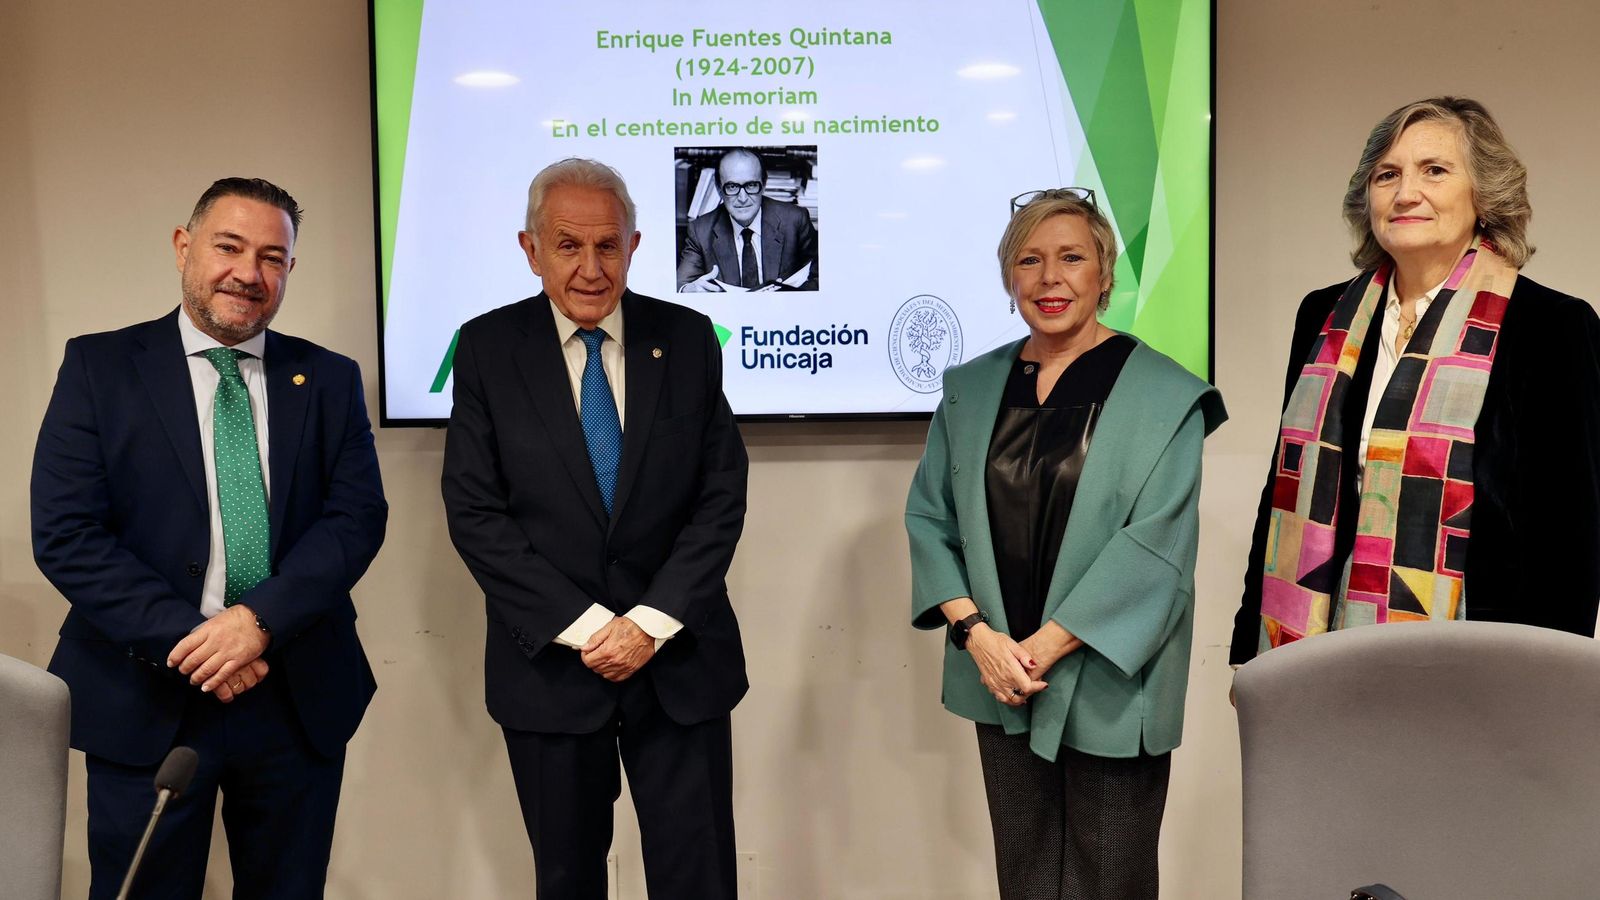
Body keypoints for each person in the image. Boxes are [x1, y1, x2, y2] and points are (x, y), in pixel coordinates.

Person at [31, 177, 388, 899]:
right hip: (145, 693)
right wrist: (202, 643)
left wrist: (256, 625)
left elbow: (355, 521)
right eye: (229, 246)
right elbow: (67, 532)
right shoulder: (100, 367)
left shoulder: (326, 379)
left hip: (292, 695)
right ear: (183, 246)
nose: (248, 273)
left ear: (289, 271)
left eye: (272, 257)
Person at [905, 188, 1226, 899]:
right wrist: (981, 639)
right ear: (1010, 277)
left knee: (1111, 876)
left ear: (1104, 274)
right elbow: (930, 517)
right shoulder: (970, 389)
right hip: (998, 675)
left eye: (1072, 258)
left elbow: (1156, 548)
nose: (1050, 279)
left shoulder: (1166, 397)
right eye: (1030, 260)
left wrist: (1041, 647)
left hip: (1110, 677)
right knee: (1022, 874)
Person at [442, 158, 749, 899]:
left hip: (678, 662)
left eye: (607, 246)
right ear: (530, 248)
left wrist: (647, 624)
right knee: (567, 880)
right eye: (568, 245)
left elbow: (720, 498)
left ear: (636, 246)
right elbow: (475, 511)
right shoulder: (487, 348)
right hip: (550, 668)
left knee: (699, 878)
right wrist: (587, 629)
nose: (589, 268)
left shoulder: (687, 340)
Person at [1232, 97, 1600, 665]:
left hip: (1484, 664)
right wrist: (1249, 654)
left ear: (1484, 193)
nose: (1406, 193)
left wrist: (1546, 685)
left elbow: (1572, 532)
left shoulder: (1552, 326)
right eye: (1387, 175)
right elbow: (1280, 490)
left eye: (1435, 170)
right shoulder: (1324, 317)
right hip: (1318, 651)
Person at [676, 147, 819, 292]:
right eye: (732, 186)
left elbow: (821, 276)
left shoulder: (795, 220)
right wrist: (690, 290)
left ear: (763, 185)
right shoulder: (700, 231)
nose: (743, 198)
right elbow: (681, 284)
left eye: (751, 185)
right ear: (719, 189)